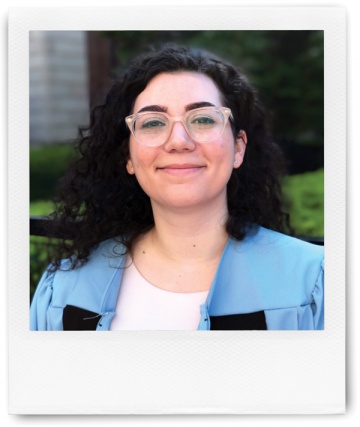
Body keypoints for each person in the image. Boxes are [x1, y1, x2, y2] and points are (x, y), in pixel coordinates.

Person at [30, 44, 324, 331]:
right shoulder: (65, 288)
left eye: (204, 119)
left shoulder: (313, 282)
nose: (178, 141)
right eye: (153, 122)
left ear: (238, 149)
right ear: (128, 158)